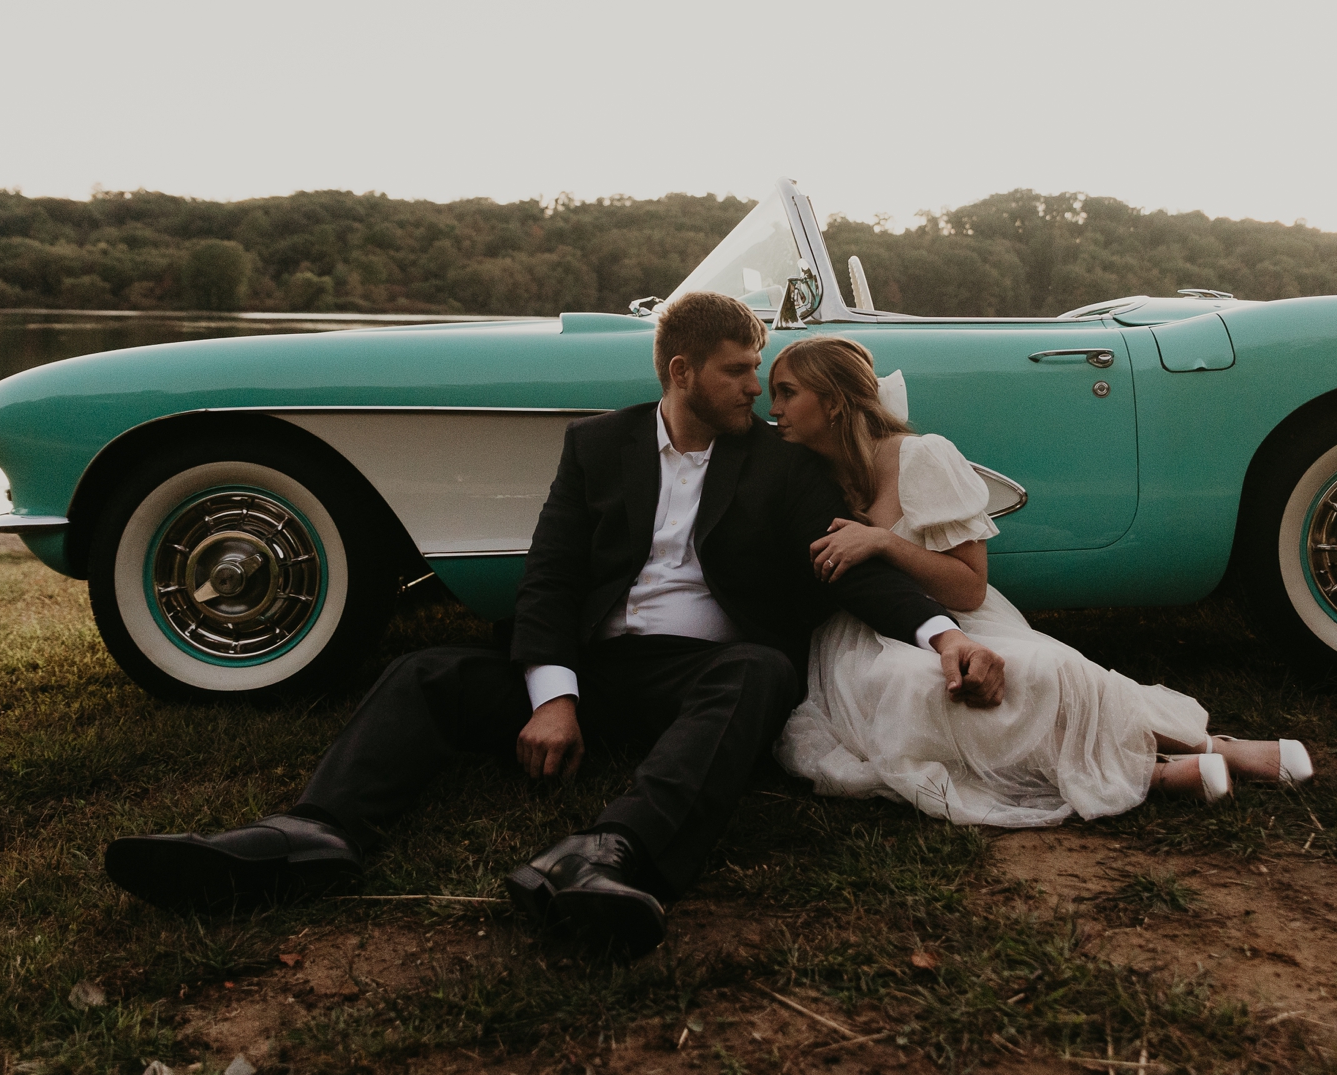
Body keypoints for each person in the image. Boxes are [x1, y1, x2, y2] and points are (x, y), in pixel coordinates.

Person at [103, 293, 972, 951]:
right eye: (739, 370)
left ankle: (608, 856)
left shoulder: (780, 468)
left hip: (700, 675)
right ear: (681, 372)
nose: (758, 386)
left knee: (758, 671)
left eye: (758, 369)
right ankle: (312, 834)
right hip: (592, 666)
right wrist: (552, 694)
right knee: (426, 671)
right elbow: (550, 579)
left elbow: (845, 562)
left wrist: (944, 635)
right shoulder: (597, 446)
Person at [768, 335, 1313, 826]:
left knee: (1037, 673)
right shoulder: (804, 476)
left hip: (956, 615)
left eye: (787, 393)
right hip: (858, 634)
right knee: (917, 690)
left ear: (835, 400)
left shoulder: (921, 456)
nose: (774, 410)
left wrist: (885, 541)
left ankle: (1210, 744)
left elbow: (968, 588)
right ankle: (1155, 770)